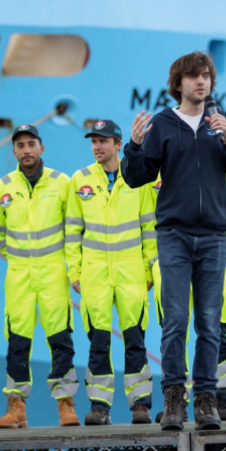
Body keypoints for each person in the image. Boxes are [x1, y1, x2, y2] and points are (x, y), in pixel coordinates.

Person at [121, 51, 226, 431]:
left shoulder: (221, 122)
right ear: (178, 84)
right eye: (194, 77)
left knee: (210, 323)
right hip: (174, 236)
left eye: (206, 76)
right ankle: (174, 399)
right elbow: (136, 177)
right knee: (175, 321)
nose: (202, 82)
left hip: (213, 236)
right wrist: (132, 145)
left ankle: (207, 400)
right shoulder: (163, 124)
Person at [65, 120, 155, 426]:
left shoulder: (137, 179)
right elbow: (73, 231)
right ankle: (100, 406)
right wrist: (75, 272)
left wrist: (149, 270)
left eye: (103, 141)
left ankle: (140, 405)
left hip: (131, 272)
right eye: (94, 142)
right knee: (98, 342)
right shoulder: (80, 180)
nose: (97, 147)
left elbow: (149, 228)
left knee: (135, 340)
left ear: (119, 145)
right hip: (94, 275)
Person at [0, 125, 79, 429]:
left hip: (54, 270)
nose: (26, 150)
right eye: (20, 145)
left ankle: (66, 406)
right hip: (18, 274)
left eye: (31, 144)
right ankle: (16, 408)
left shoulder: (62, 183)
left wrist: (71, 267)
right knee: (17, 340)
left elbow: (72, 228)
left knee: (60, 339)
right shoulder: (2, 186)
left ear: (42, 148)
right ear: (13, 151)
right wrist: (18, 258)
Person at [149, 180, 226, 423]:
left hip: (211, 256)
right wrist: (156, 256)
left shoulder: (214, 158)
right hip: (169, 257)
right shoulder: (154, 165)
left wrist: (212, 245)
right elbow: (146, 219)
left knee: (215, 329)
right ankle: (176, 402)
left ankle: (215, 398)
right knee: (173, 330)